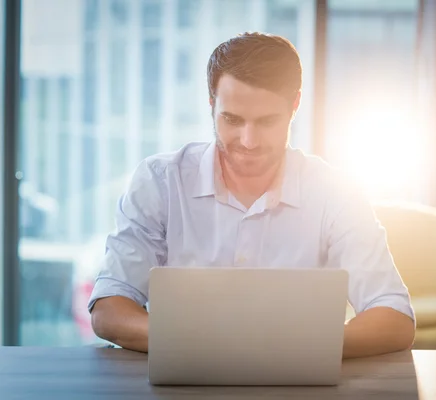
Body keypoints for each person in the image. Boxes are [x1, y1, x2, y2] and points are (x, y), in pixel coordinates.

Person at [88, 32, 415, 359]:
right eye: (232, 119)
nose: (248, 141)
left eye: (267, 121)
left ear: (295, 105)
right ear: (212, 103)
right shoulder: (160, 182)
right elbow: (109, 309)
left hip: (297, 381)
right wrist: (197, 343)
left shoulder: (335, 192)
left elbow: (394, 315)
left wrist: (295, 349)